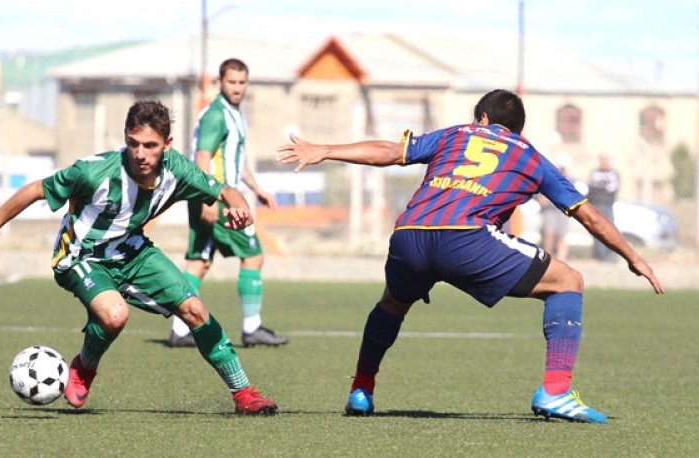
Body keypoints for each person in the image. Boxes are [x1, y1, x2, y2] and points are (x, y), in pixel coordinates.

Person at [276, 89, 663, 424]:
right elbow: (589, 215)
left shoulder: (455, 134)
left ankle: (361, 389)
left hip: (410, 235)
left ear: (482, 117)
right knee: (568, 281)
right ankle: (556, 391)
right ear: (516, 128)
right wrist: (632, 256)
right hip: (465, 239)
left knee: (393, 302)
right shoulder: (529, 155)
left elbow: (392, 152)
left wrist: (324, 150)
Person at [0, 100, 278, 415]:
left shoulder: (177, 169)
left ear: (167, 144)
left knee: (195, 310)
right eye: (133, 143)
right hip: (79, 256)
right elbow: (36, 189)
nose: (140, 153)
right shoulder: (94, 173)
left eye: (150, 145)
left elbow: (223, 190)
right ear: (125, 138)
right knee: (115, 315)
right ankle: (86, 365)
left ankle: (244, 394)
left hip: (132, 250)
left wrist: (240, 206)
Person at [167, 58, 289, 349]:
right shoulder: (216, 115)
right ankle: (252, 327)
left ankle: (180, 330)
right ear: (220, 83)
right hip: (220, 200)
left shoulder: (235, 115)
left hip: (215, 196)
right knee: (254, 256)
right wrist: (207, 198)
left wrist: (257, 188)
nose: (237, 88)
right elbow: (202, 157)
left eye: (242, 82)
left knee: (199, 261)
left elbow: (236, 161)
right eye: (231, 82)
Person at [537, 155, 573, 260]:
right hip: (550, 210)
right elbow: (542, 199)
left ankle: (561, 259)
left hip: (563, 210)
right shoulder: (550, 177)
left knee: (561, 236)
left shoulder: (569, 181)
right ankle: (548, 259)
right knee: (549, 233)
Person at [587, 154, 620, 262]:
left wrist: (601, 186)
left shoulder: (613, 174)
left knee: (610, 230)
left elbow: (613, 188)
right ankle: (600, 256)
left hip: (608, 205)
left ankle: (610, 255)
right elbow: (593, 187)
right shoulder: (595, 173)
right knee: (598, 230)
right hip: (596, 205)